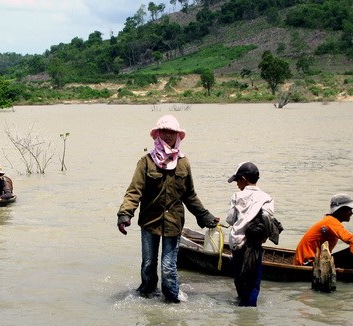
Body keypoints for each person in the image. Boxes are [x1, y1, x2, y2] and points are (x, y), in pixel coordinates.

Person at [117, 115, 218, 303]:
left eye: (172, 132)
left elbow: (189, 194)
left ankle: (172, 300)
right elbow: (134, 191)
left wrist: (205, 216)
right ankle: (147, 293)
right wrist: (125, 214)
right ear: (157, 134)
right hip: (150, 221)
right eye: (164, 131)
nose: (168, 135)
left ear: (178, 135)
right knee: (148, 264)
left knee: (168, 267)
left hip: (174, 223)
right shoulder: (146, 162)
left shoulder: (183, 162)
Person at [226, 162, 275, 307]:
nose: (237, 185)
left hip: (237, 243)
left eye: (237, 181)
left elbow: (229, 219)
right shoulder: (267, 198)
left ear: (244, 179)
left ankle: (242, 303)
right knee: (253, 280)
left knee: (239, 277)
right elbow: (268, 218)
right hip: (254, 243)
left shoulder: (236, 196)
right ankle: (249, 310)